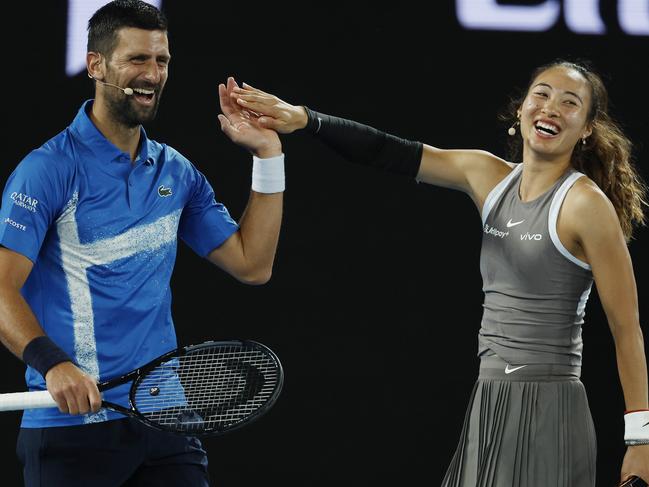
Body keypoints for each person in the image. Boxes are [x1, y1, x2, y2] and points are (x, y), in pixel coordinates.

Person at [226, 60, 649, 485]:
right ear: (521, 108)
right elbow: (388, 151)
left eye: (569, 103)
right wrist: (305, 119)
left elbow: (626, 330)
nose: (550, 108)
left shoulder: (586, 206)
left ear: (588, 128)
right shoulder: (486, 175)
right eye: (541, 94)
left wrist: (640, 442)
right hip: (487, 402)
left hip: (550, 409)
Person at [0, 1, 285, 486]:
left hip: (165, 420)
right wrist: (53, 365)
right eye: (137, 59)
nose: (152, 74)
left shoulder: (177, 172)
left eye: (162, 61)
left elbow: (252, 264)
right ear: (96, 65)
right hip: (71, 430)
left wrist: (269, 155)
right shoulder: (47, 170)